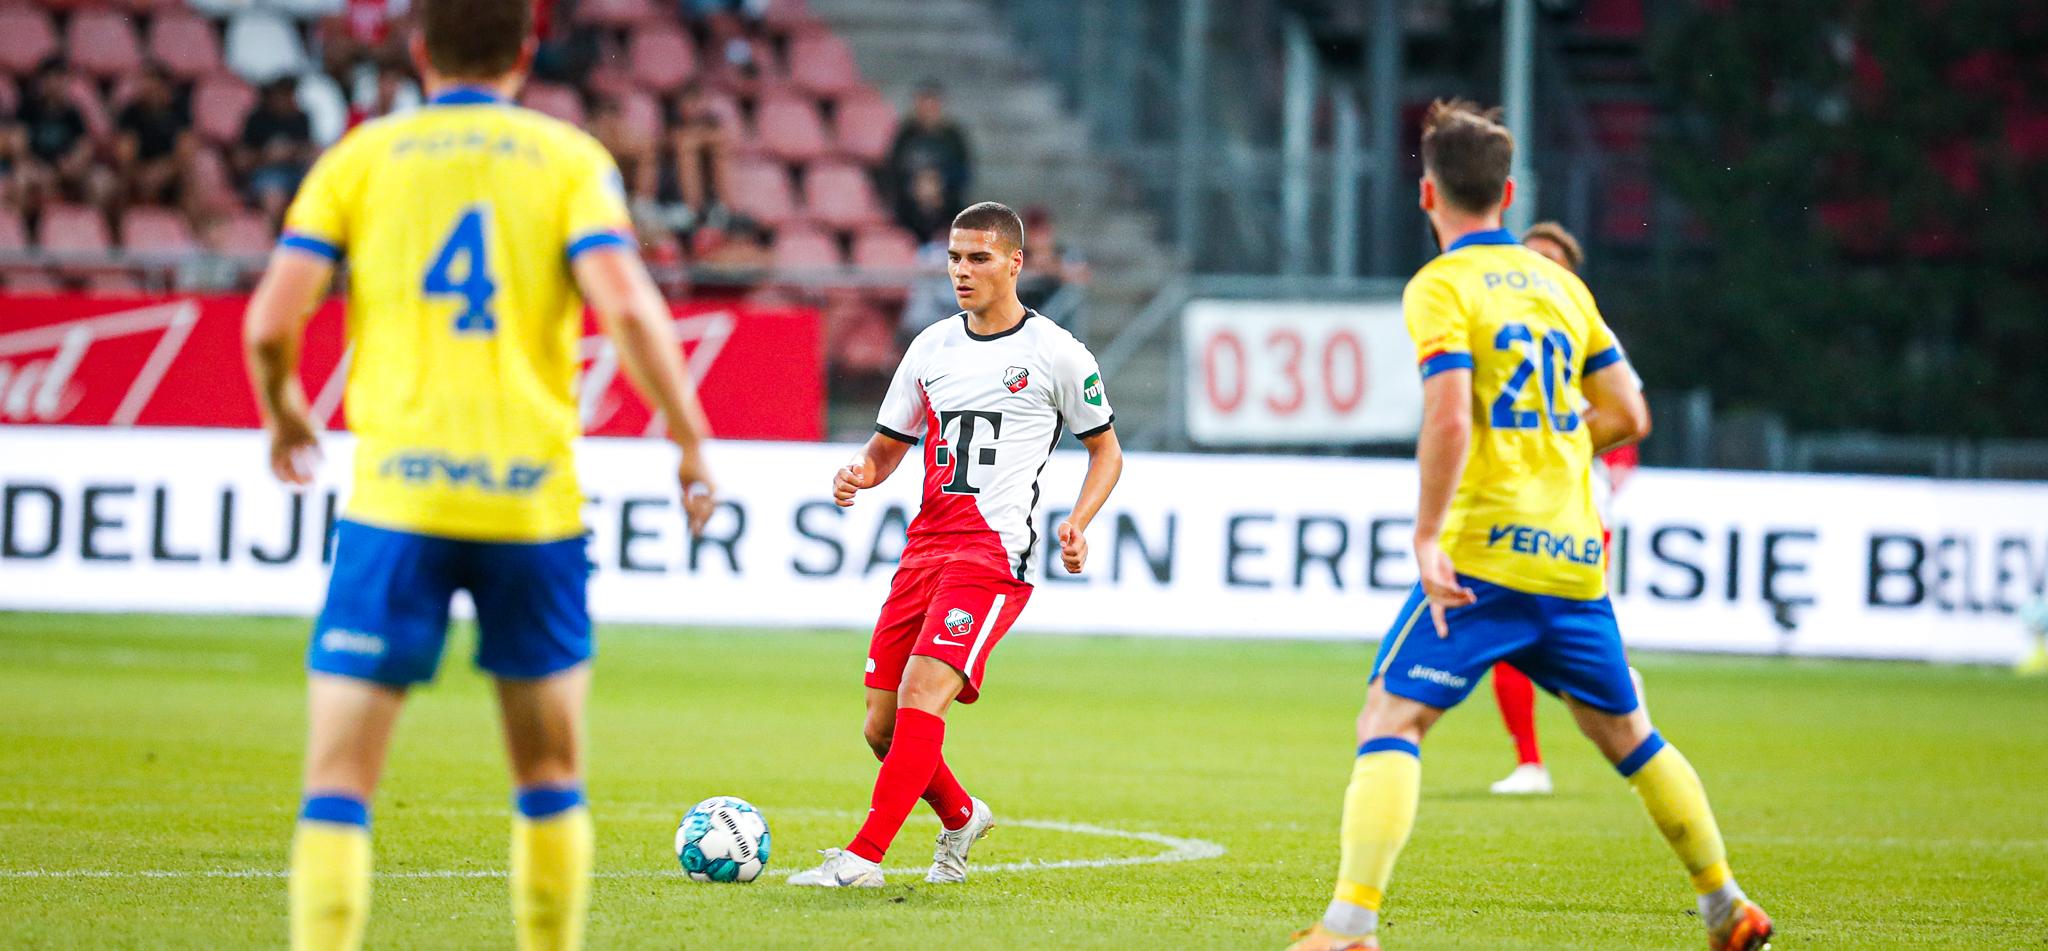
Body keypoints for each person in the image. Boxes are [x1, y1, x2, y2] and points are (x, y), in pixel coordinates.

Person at [242, 0, 718, 946]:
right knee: (548, 776)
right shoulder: (568, 158)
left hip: (397, 503)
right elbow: (626, 306)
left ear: (416, 48)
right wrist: (688, 433)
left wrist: (284, 408)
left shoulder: (361, 157)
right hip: (531, 509)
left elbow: (267, 323)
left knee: (338, 781)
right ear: (527, 51)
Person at [1286, 101, 1773, 951]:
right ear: (1509, 192)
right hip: (1575, 553)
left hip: (1487, 549)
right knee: (1629, 733)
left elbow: (1447, 417)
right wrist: (1556, 441)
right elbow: (1628, 410)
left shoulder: (1443, 286)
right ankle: (1725, 903)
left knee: (1391, 719)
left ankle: (1350, 927)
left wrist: (1429, 532)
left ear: (1427, 193)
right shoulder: (1564, 285)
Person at [787, 201, 1123, 888]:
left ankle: (864, 857)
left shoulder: (1055, 351)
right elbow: (887, 450)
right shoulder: (931, 345)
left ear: (1015, 262)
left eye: (978, 258)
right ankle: (962, 815)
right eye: (953, 257)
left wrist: (1081, 520)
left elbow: (1106, 451)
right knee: (881, 728)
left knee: (921, 692)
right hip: (924, 548)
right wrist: (861, 472)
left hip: (994, 552)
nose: (962, 271)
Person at [1483, 219, 1623, 797]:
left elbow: (1625, 416)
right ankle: (1530, 761)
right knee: (1509, 633)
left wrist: (1556, 454)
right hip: (1514, 501)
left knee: (1534, 627)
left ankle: (1608, 686)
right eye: (1531, 258)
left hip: (1575, 503)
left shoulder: (1586, 331)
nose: (1539, 268)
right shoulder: (1501, 330)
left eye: (1552, 260)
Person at [114, 64, 200, 227]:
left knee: (191, 180)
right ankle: (123, 234)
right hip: (137, 172)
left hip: (169, 173)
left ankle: (192, 237)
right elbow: (125, 155)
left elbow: (186, 153)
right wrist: (143, 173)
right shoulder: (129, 113)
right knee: (119, 183)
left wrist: (162, 171)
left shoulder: (180, 113)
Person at [238, 77, 318, 231]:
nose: (287, 98)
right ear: (270, 95)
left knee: (318, 191)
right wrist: (267, 155)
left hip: (296, 171)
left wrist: (292, 152)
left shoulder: (301, 118)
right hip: (265, 172)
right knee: (274, 196)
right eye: (281, 93)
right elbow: (240, 159)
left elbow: (309, 149)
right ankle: (276, 242)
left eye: (290, 93)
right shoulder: (257, 119)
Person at [884, 80, 972, 216]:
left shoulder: (953, 137)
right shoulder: (905, 135)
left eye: (933, 104)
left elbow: (964, 172)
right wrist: (914, 185)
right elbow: (892, 170)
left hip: (946, 202)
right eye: (924, 104)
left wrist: (940, 182)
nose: (928, 110)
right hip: (909, 204)